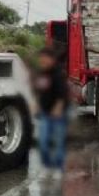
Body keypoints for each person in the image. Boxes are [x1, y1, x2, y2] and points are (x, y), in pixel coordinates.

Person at [32, 47, 68, 176]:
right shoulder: (41, 73)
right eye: (40, 58)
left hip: (58, 115)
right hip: (45, 113)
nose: (42, 61)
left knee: (58, 143)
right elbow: (38, 91)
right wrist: (36, 104)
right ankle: (47, 166)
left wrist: (58, 107)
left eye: (44, 58)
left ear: (52, 60)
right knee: (43, 143)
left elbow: (63, 94)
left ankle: (58, 168)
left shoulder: (58, 74)